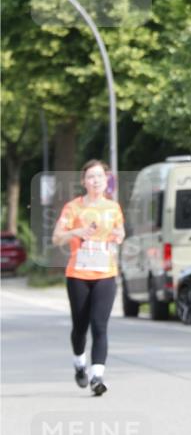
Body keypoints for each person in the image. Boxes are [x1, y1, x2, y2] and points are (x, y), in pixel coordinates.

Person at [53, 160, 125, 396]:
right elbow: (57, 238)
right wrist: (76, 232)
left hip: (105, 273)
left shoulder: (113, 208)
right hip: (78, 274)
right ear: (84, 182)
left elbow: (120, 232)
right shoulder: (73, 208)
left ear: (107, 181)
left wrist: (119, 235)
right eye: (91, 177)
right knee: (80, 327)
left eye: (100, 177)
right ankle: (79, 363)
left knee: (100, 325)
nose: (96, 181)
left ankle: (97, 377)